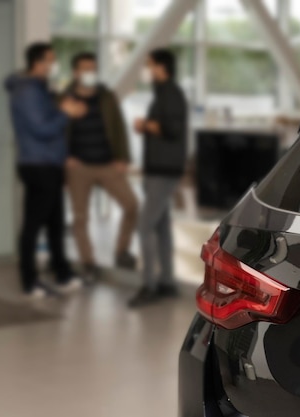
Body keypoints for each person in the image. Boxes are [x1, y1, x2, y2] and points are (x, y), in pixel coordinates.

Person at [4, 42, 86, 299]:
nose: (53, 65)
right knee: (33, 225)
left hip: (49, 163)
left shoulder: (38, 89)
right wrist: (66, 113)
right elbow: (42, 129)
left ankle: (62, 274)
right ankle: (29, 281)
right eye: (50, 60)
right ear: (38, 62)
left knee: (54, 222)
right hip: (38, 166)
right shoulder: (28, 91)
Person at [63, 52, 138, 281]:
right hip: (79, 167)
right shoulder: (64, 98)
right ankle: (88, 263)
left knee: (132, 205)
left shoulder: (106, 97)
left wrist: (122, 158)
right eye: (85, 69)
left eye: (93, 68)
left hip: (107, 164)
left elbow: (119, 127)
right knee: (80, 218)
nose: (90, 73)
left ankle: (121, 251)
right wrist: (65, 156)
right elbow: (57, 130)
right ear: (76, 72)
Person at [129, 49, 188, 308]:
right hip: (159, 169)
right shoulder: (163, 92)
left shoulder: (171, 94)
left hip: (164, 171)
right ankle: (166, 282)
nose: (147, 69)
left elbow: (172, 129)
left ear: (161, 67)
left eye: (149, 65)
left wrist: (145, 125)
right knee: (161, 227)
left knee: (144, 227)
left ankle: (149, 285)